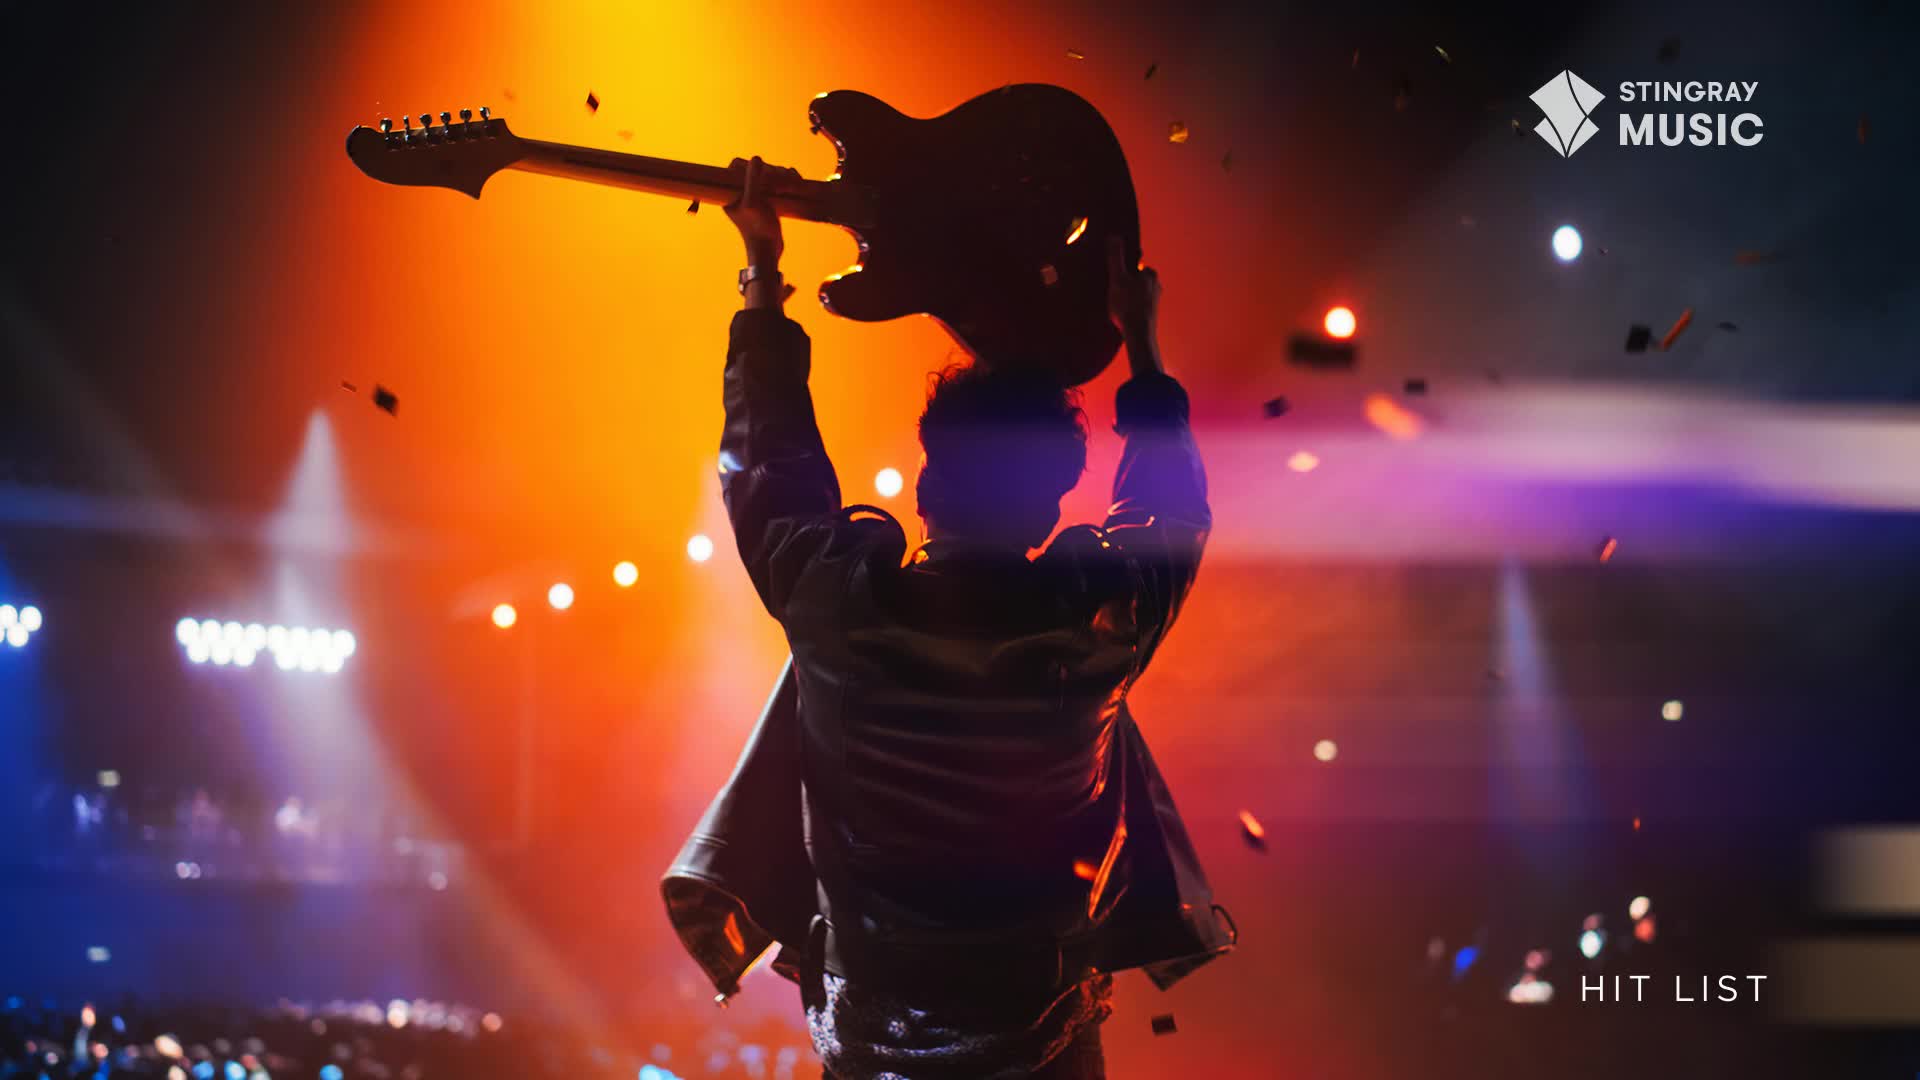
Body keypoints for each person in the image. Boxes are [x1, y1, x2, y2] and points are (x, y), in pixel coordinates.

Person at [693, 156, 1227, 1080]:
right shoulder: (1099, 624)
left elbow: (768, 466)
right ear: (1053, 500)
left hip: (872, 1044)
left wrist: (763, 277)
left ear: (930, 480)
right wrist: (1141, 347)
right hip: (1045, 1041)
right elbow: (1168, 514)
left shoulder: (835, 607)